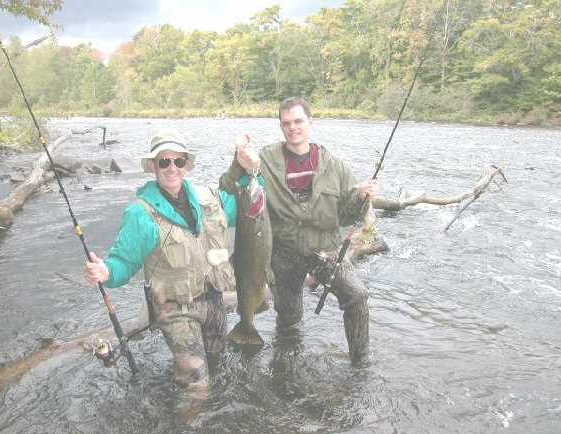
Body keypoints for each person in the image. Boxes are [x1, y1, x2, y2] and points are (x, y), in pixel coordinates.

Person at [84, 128, 248, 391]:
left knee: (218, 367)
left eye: (178, 161)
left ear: (186, 165)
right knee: (197, 383)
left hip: (214, 301)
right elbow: (124, 262)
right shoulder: (140, 213)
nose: (172, 168)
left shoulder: (208, 198)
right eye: (164, 161)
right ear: (153, 166)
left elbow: (246, 200)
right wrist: (106, 272)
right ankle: (189, 428)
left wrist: (251, 168)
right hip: (175, 310)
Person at [220, 97, 379, 363]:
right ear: (281, 126)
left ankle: (360, 360)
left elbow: (346, 216)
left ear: (310, 122)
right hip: (282, 253)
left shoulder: (335, 165)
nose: (293, 127)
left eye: (298, 121)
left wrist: (362, 197)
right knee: (289, 320)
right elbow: (228, 186)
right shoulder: (266, 160)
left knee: (357, 295)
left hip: (325, 250)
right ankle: (286, 368)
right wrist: (240, 162)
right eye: (286, 123)